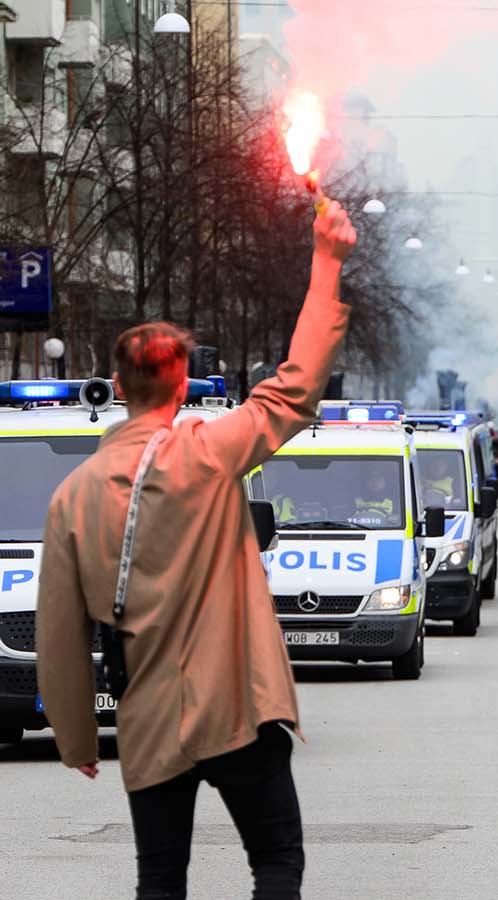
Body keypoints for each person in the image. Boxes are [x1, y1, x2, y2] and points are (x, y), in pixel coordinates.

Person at [35, 201, 358, 900]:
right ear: (183, 385)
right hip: (236, 704)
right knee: (275, 861)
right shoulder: (211, 453)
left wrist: (75, 738)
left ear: (117, 386)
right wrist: (327, 259)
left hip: (148, 718)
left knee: (160, 879)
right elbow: (296, 389)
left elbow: (58, 635)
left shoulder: (71, 497)